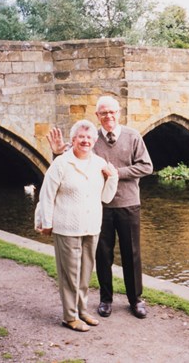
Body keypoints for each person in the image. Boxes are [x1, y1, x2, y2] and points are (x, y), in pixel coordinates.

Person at [47, 96, 153, 319]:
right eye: (103, 113)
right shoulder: (92, 137)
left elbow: (146, 166)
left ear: (119, 113)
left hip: (128, 203)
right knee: (102, 254)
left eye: (112, 112)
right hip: (98, 206)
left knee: (131, 253)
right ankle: (106, 300)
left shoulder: (133, 136)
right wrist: (56, 153)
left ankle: (136, 300)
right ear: (97, 116)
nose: (108, 116)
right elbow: (69, 159)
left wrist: (116, 173)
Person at [36, 119, 118, 332]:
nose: (85, 140)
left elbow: (106, 198)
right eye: (81, 137)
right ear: (72, 140)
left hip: (91, 226)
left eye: (89, 137)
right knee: (70, 274)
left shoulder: (99, 163)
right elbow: (47, 195)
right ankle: (69, 316)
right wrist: (46, 222)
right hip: (67, 226)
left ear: (94, 140)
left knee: (85, 273)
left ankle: (82, 310)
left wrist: (113, 178)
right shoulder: (61, 164)